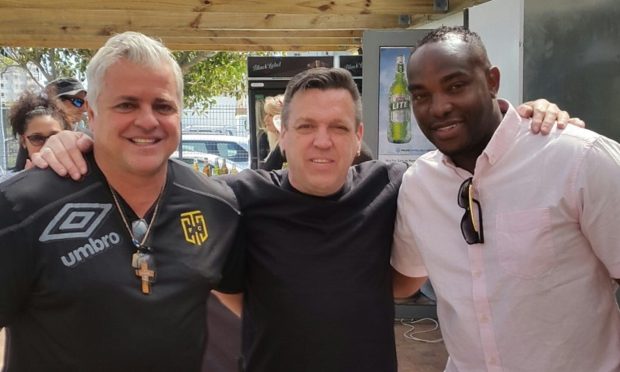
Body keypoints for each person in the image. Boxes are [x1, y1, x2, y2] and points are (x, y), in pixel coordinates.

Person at [34, 67, 579, 372]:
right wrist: (75, 140)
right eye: (307, 127)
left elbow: (472, 169)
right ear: (282, 134)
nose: (323, 142)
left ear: (359, 138)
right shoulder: (236, 196)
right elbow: (143, 163)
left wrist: (530, 116)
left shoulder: (395, 185)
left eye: (340, 128)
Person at [0, 31, 243, 371]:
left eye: (163, 105)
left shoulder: (216, 205)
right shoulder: (21, 208)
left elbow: (243, 299)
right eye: (126, 104)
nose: (147, 120)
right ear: (93, 116)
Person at [391, 26, 620, 372]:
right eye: (421, 95)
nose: (439, 107)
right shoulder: (418, 184)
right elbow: (403, 279)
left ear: (492, 80)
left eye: (456, 86)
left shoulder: (578, 158)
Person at [2, 91, 67, 176]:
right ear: (23, 141)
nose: (47, 145)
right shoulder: (8, 185)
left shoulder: (82, 174)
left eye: (54, 136)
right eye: (37, 138)